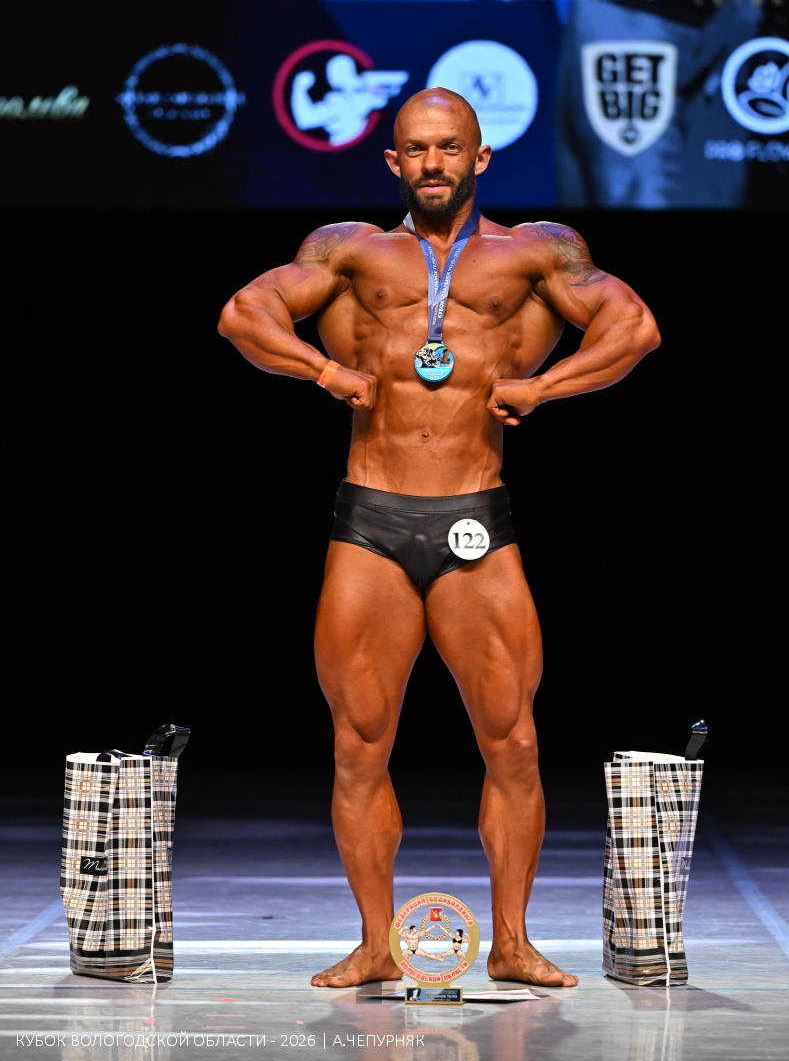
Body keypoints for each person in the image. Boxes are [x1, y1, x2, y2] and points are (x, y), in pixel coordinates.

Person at [218, 87, 660, 989]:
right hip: (371, 520)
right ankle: (375, 945)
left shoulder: (537, 252)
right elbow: (242, 314)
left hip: (475, 518)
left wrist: (546, 387)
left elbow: (635, 327)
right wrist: (324, 370)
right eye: (416, 149)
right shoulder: (349, 250)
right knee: (358, 745)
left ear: (479, 157)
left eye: (449, 148)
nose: (433, 163)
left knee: (514, 742)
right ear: (393, 161)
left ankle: (513, 943)